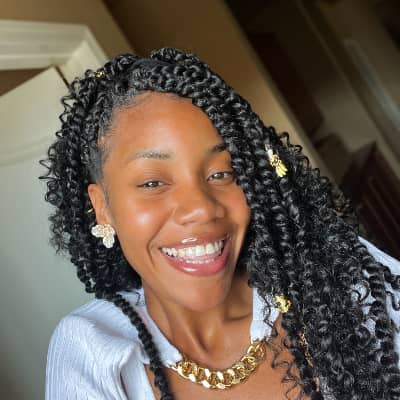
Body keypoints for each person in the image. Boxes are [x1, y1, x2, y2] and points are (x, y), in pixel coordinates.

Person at [41, 48, 400, 400]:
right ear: (102, 207)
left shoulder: (342, 285)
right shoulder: (93, 350)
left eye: (222, 173)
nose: (201, 208)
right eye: (153, 182)